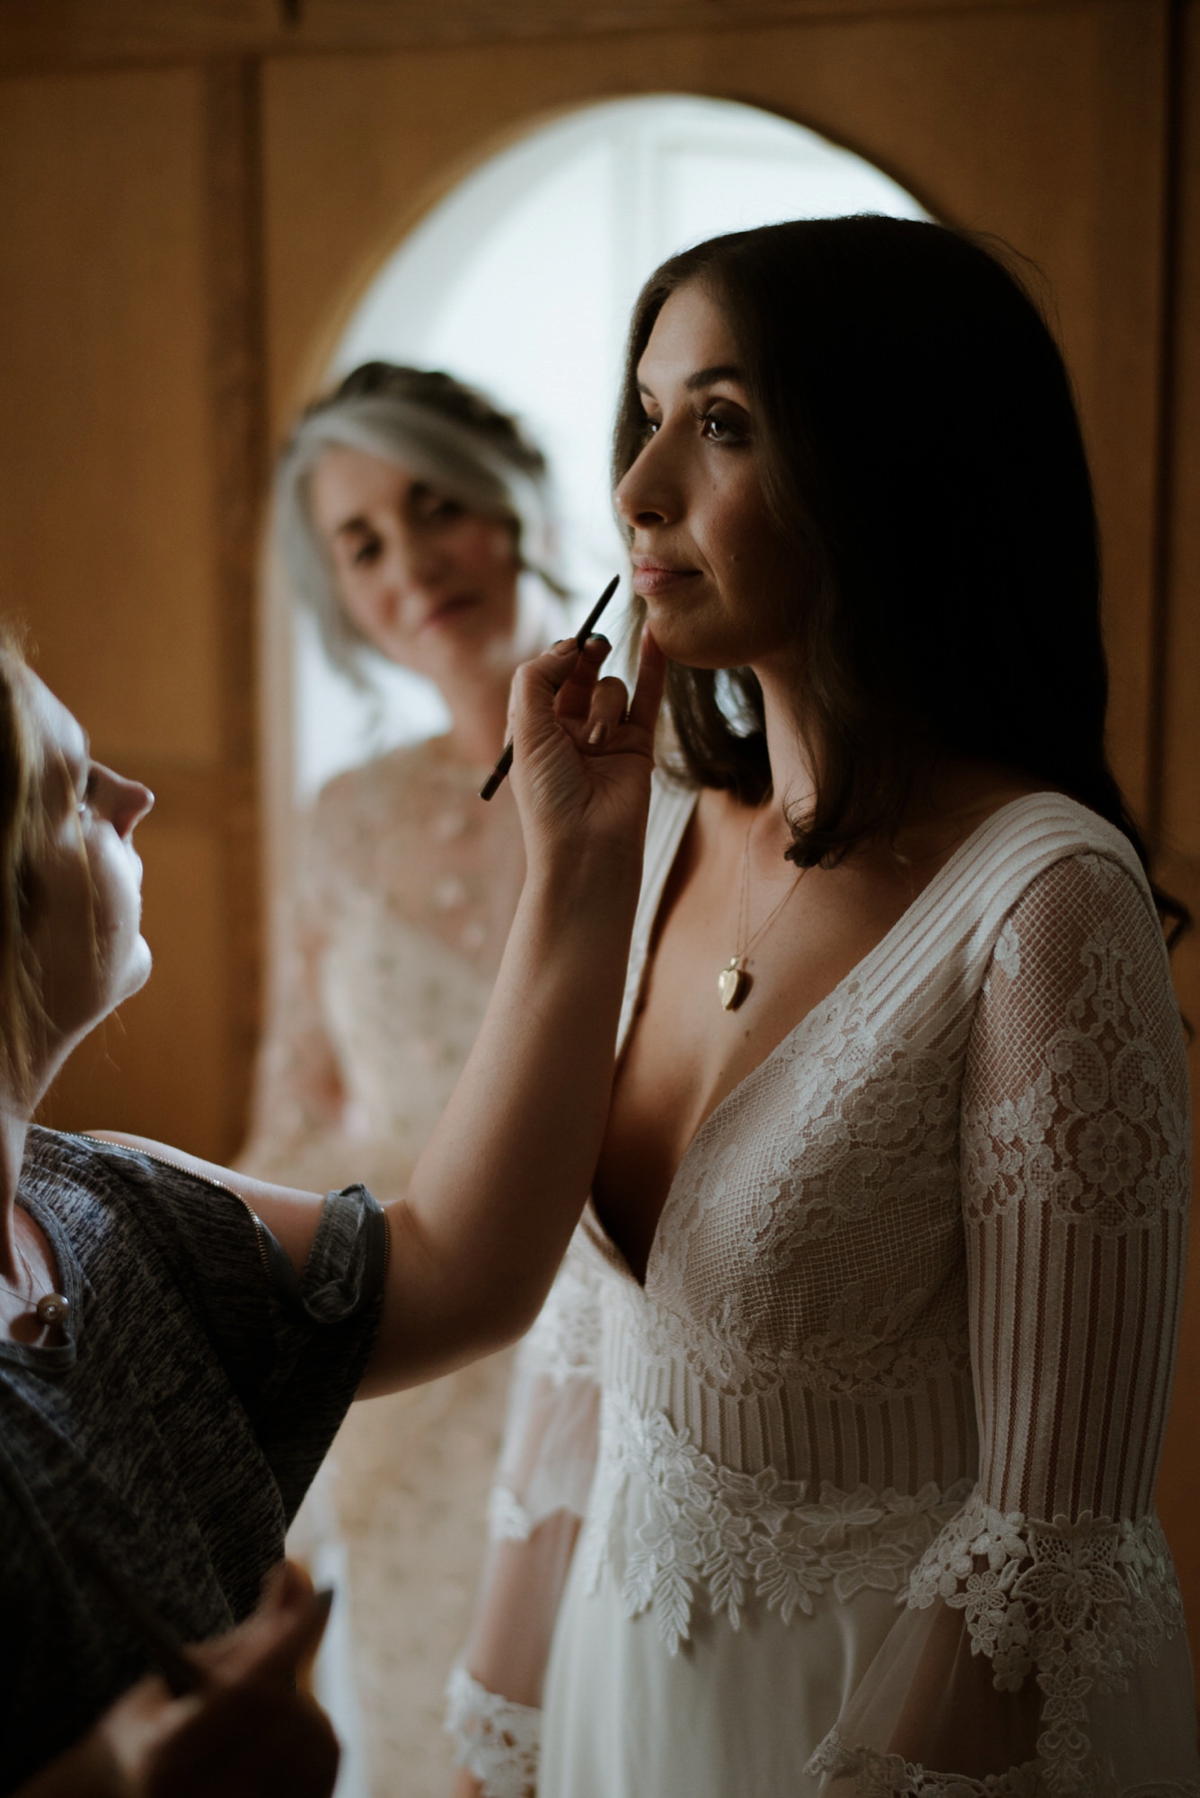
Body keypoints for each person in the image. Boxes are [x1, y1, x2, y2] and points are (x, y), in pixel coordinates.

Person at [446, 217, 1198, 1798]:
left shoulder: (1045, 907)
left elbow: (1049, 1547)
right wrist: (495, 1744)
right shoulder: (653, 831)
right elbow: (580, 1353)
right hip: (620, 1688)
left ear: (894, 469)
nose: (638, 489)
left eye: (720, 423)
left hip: (885, 1730)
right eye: (643, 415)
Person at [0, 617, 665, 1796]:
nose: (138, 793)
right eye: (68, 788)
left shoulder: (108, 1204)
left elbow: (454, 1264)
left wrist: (579, 860)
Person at [239, 362, 569, 1790]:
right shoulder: (346, 817)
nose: (411, 562)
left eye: (436, 508)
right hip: (402, 1351)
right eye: (361, 543)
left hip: (592, 1331)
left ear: (507, 505)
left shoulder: (667, 766)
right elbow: (298, 1107)